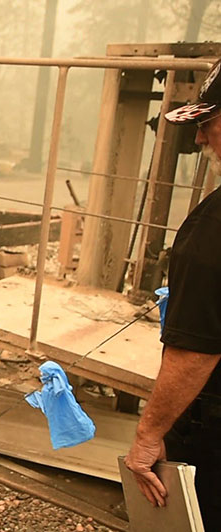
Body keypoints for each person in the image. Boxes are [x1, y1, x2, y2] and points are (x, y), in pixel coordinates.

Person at [124, 58, 221, 528]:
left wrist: (149, 434)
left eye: (209, 123)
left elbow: (195, 351)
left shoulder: (211, 231)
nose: (199, 139)